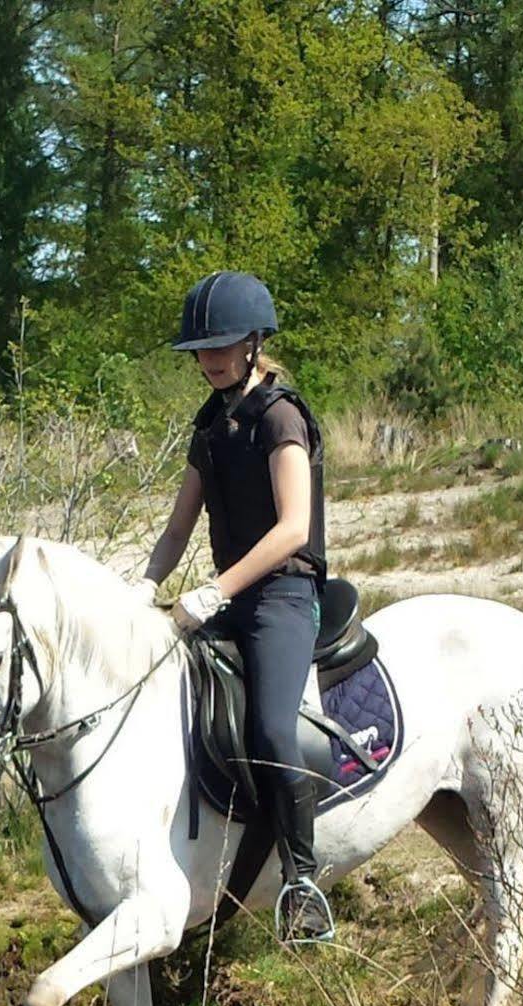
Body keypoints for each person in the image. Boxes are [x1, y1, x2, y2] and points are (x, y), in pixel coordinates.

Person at [141, 271, 333, 944]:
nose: (209, 359)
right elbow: (176, 527)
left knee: (272, 733)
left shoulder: (280, 416)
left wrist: (214, 590)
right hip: (229, 595)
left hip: (282, 594)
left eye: (221, 345)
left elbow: (291, 528)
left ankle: (302, 883)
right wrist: (144, 586)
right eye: (200, 349)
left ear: (255, 341)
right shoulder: (210, 423)